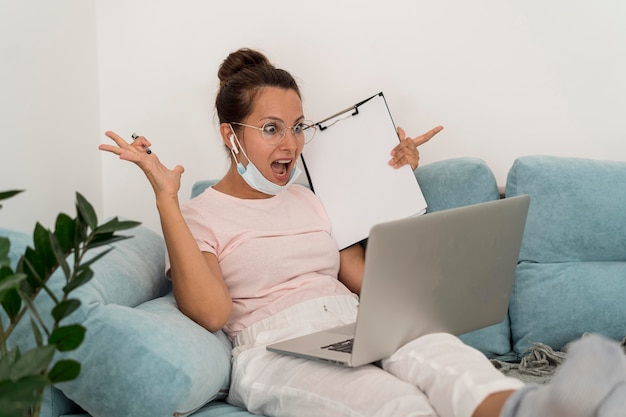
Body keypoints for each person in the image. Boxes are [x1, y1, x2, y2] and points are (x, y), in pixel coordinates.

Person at [100, 48, 626, 417]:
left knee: (447, 361)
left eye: (298, 126)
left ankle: (532, 408)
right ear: (229, 136)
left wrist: (393, 185)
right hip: (275, 347)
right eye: (271, 128)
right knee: (393, 404)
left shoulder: (311, 198)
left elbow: (366, 281)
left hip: (355, 322)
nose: (291, 143)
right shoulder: (199, 214)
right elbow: (212, 313)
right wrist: (166, 198)